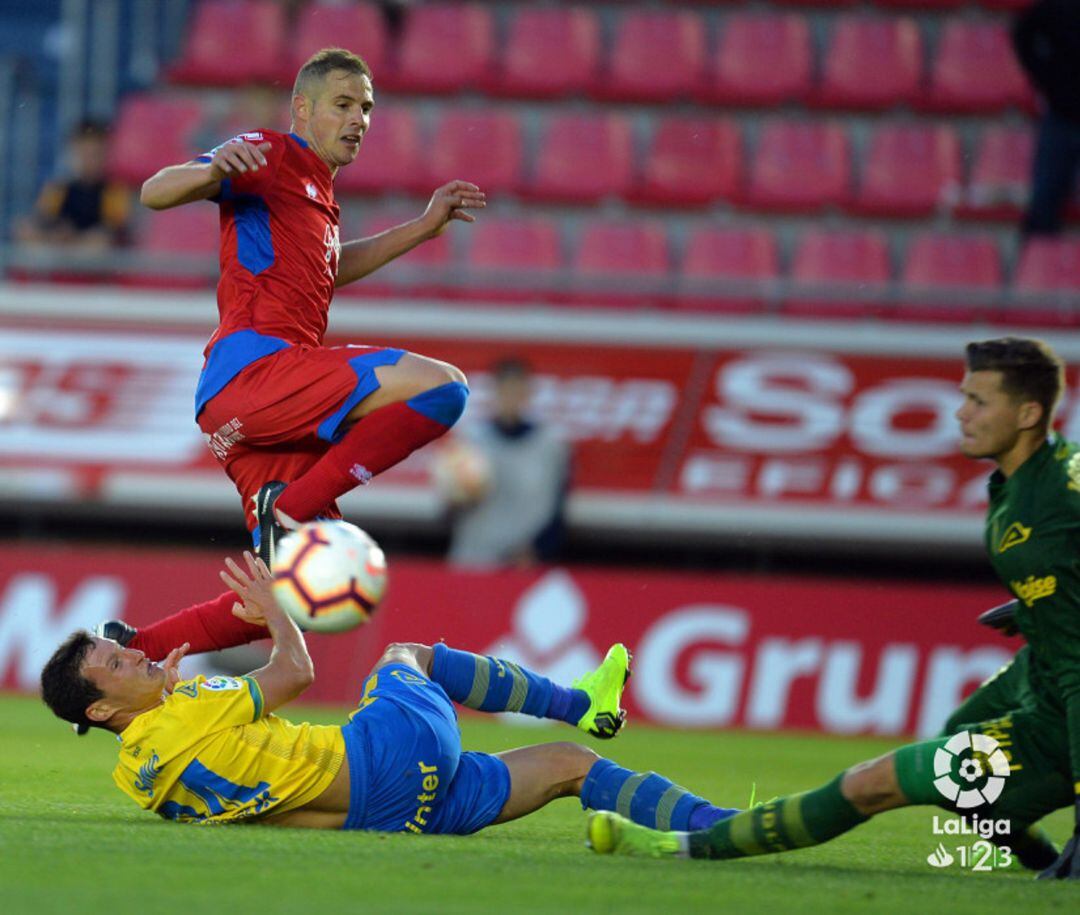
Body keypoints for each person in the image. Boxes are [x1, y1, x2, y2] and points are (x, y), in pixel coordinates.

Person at [588, 337, 1080, 881]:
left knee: (876, 782)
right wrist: (1036, 604)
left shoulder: (1042, 518)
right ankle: (1043, 860)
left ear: (1030, 413)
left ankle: (681, 847)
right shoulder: (1042, 474)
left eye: (980, 402)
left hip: (1064, 700)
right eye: (964, 396)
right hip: (1042, 670)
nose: (960, 413)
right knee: (961, 731)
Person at [39, 552, 739, 834]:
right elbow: (297, 673)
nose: (135, 651)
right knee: (407, 657)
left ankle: (715, 827)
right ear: (101, 707)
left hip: (393, 814)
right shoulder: (196, 706)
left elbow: (268, 808)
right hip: (387, 751)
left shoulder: (138, 775)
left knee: (569, 766)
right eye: (118, 661)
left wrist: (167, 685)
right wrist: (274, 607)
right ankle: (584, 701)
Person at [139, 47, 485, 566]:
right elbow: (153, 191)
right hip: (258, 374)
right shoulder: (273, 153)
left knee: (289, 585)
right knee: (445, 388)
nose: (358, 120)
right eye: (343, 104)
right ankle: (293, 508)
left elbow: (329, 267)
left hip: (241, 409)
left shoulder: (317, 194)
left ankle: (136, 642)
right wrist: (209, 173)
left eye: (365, 108)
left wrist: (422, 227)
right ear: (302, 107)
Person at [441, 357, 571, 568]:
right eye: (505, 390)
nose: (511, 398)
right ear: (495, 392)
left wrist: (538, 550)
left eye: (517, 391)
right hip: (474, 560)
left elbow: (557, 512)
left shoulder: (549, 446)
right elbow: (449, 512)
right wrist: (460, 496)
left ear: (528, 393)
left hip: (524, 565)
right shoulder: (470, 442)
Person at [1012, 0, 1080, 237]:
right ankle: (1035, 265)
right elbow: (1023, 33)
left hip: (1059, 114)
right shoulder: (1055, 8)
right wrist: (1044, 77)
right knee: (1045, 199)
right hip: (1060, 115)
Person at [15, 118, 131, 250]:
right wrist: (57, 233)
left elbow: (114, 231)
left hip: (92, 254)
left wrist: (75, 238)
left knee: (100, 242)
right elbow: (41, 219)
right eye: (83, 153)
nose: (88, 160)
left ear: (106, 155)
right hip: (59, 247)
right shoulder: (59, 188)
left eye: (95, 154)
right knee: (23, 229)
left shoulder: (114, 190)